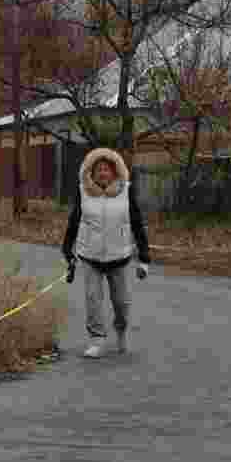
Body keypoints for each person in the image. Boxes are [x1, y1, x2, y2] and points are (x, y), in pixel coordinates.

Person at [62, 147, 152, 358]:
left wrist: (144, 258)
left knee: (121, 303)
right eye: (98, 169)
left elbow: (137, 224)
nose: (103, 173)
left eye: (107, 169)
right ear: (91, 173)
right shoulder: (83, 191)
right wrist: (68, 250)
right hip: (90, 256)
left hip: (119, 257)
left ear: (115, 172)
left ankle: (121, 332)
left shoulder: (126, 191)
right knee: (93, 299)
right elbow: (74, 221)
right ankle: (96, 340)